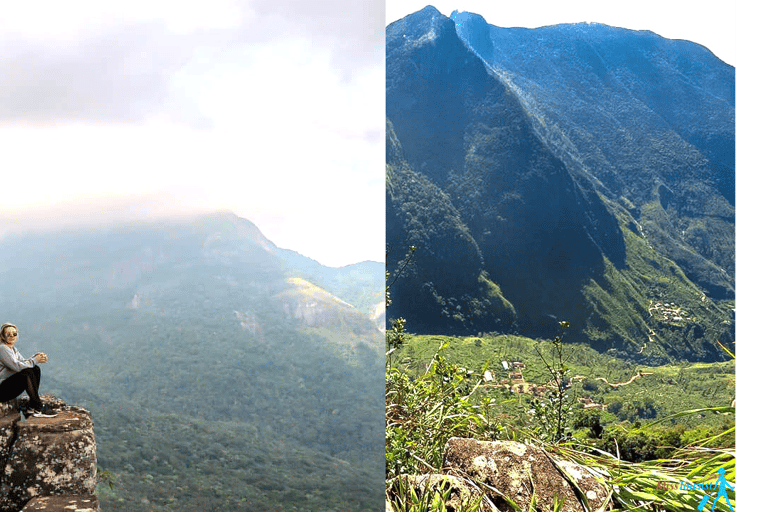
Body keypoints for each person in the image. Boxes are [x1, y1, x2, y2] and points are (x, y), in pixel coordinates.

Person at [0, 323, 57, 418]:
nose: (12, 336)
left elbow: (23, 362)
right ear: (3, 336)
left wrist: (36, 357)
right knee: (27, 373)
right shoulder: (2, 349)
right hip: (1, 390)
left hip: (7, 387)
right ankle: (38, 407)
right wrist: (35, 360)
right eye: (8, 334)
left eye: (14, 334)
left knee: (35, 369)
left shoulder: (13, 349)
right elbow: (18, 367)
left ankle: (32, 405)